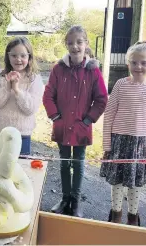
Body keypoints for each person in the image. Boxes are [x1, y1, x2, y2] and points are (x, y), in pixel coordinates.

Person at [43, 25, 108, 218]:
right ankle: (65, 198)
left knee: (78, 163)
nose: (75, 46)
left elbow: (101, 99)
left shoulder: (93, 71)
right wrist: (56, 117)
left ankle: (76, 200)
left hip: (81, 128)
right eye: (70, 43)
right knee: (64, 163)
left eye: (79, 42)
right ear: (66, 45)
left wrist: (88, 120)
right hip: (62, 127)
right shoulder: (58, 69)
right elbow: (48, 96)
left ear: (86, 44)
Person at [100, 41, 146, 226]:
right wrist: (107, 144)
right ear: (128, 63)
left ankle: (133, 217)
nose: (138, 66)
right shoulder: (120, 85)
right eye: (134, 62)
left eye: (144, 62)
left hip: (141, 144)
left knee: (135, 184)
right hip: (119, 142)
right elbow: (109, 115)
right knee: (118, 182)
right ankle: (116, 214)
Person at [0, 37, 44, 155]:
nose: (18, 59)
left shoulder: (35, 79)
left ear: (29, 57)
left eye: (23, 55)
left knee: (19, 170)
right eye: (14, 55)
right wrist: (6, 88)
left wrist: (17, 90)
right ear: (8, 56)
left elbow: (30, 109)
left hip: (22, 134)